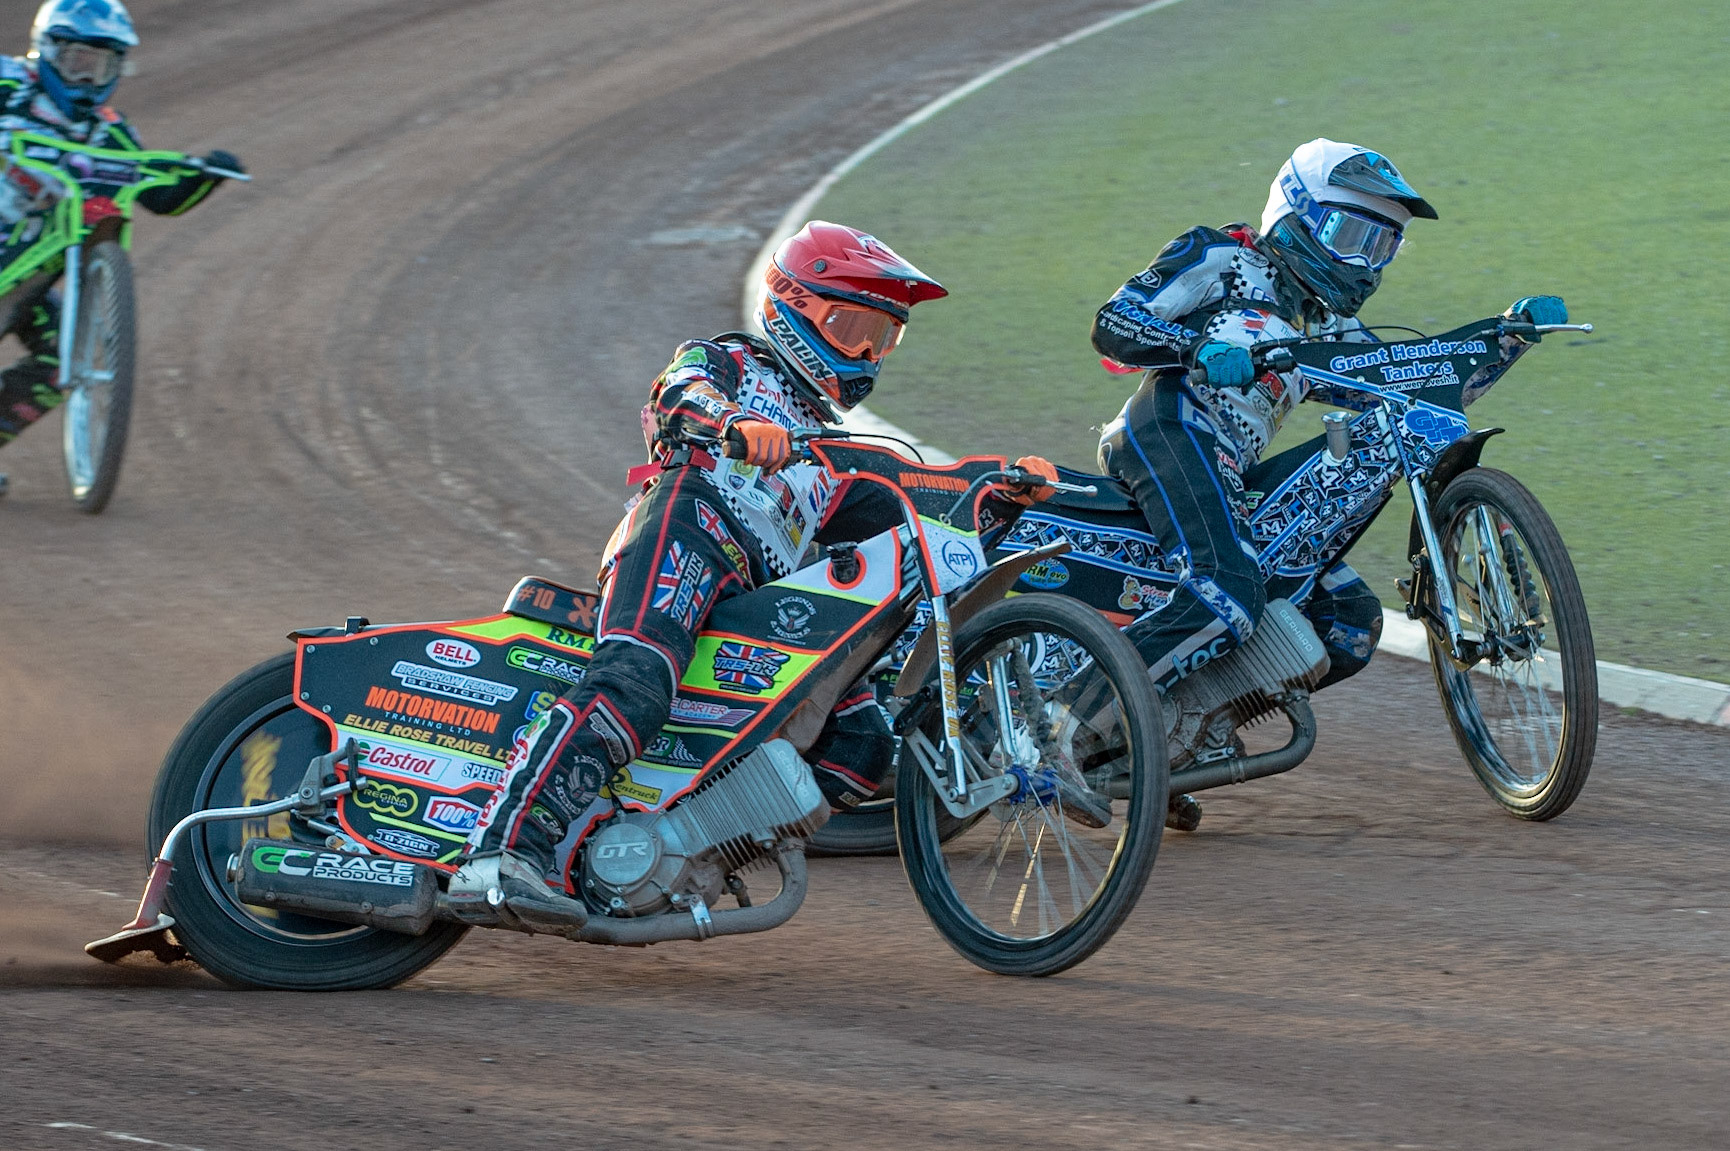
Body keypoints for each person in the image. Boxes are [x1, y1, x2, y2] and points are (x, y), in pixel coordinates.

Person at [454, 221, 1058, 926]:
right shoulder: (733, 361)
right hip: (687, 525)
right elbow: (674, 395)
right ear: (794, 307)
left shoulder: (832, 449)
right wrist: (731, 419)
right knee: (636, 680)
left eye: (882, 338)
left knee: (862, 740)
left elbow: (918, 484)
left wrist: (999, 488)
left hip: (755, 599)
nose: (866, 353)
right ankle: (501, 853)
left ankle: (686, 850)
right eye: (852, 326)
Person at [1090, 137, 1566, 696]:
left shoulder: (1326, 325)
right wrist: (1196, 348)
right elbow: (1114, 322)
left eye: (1384, 246)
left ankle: (1183, 728)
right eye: (1351, 237)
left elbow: (1407, 387)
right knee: (1227, 590)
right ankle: (1069, 718)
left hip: (1233, 469)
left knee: (1350, 621)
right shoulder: (1220, 256)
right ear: (1294, 213)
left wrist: (1507, 338)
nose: (1366, 265)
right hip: (1169, 428)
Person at [0, 0, 244, 490]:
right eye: (79, 61)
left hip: (31, 266)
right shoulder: (8, 84)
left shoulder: (111, 131)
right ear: (48, 51)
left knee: (62, 355)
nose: (89, 77)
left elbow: (158, 196)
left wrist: (207, 174)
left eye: (104, 64)